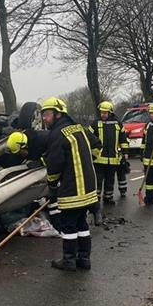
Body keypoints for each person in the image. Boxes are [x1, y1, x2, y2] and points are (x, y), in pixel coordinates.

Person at [40, 97, 100, 271]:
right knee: (82, 224)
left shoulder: (57, 135)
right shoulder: (80, 128)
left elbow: (55, 165)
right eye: (43, 115)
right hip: (88, 188)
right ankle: (84, 259)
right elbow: (97, 145)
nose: (45, 118)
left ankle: (68, 261)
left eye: (48, 114)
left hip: (71, 189)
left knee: (68, 226)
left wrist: (52, 186)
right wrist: (88, 161)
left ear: (59, 114)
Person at [89, 100, 129, 204]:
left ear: (110, 112)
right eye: (101, 112)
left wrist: (125, 153)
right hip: (98, 159)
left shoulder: (118, 124)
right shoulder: (95, 124)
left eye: (105, 113)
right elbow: (88, 137)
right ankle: (96, 199)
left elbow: (123, 139)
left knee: (110, 180)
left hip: (113, 159)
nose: (103, 114)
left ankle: (108, 197)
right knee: (98, 180)